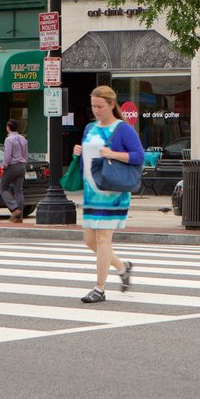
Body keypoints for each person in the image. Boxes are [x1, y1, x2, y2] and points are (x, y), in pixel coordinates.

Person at [72, 85, 144, 303]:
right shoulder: (89, 128)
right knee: (89, 240)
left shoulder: (123, 129)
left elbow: (139, 156)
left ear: (112, 104)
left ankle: (99, 288)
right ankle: (123, 268)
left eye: (100, 106)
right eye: (93, 106)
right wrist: (78, 153)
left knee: (103, 239)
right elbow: (89, 159)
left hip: (112, 192)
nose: (96, 110)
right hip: (91, 190)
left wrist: (113, 153)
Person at [0, 118, 29, 223]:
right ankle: (19, 217)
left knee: (3, 188)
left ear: (8, 128)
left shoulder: (9, 140)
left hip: (12, 166)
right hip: (21, 166)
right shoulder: (23, 139)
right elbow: (26, 154)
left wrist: (3, 166)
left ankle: (15, 209)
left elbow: (7, 156)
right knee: (19, 191)